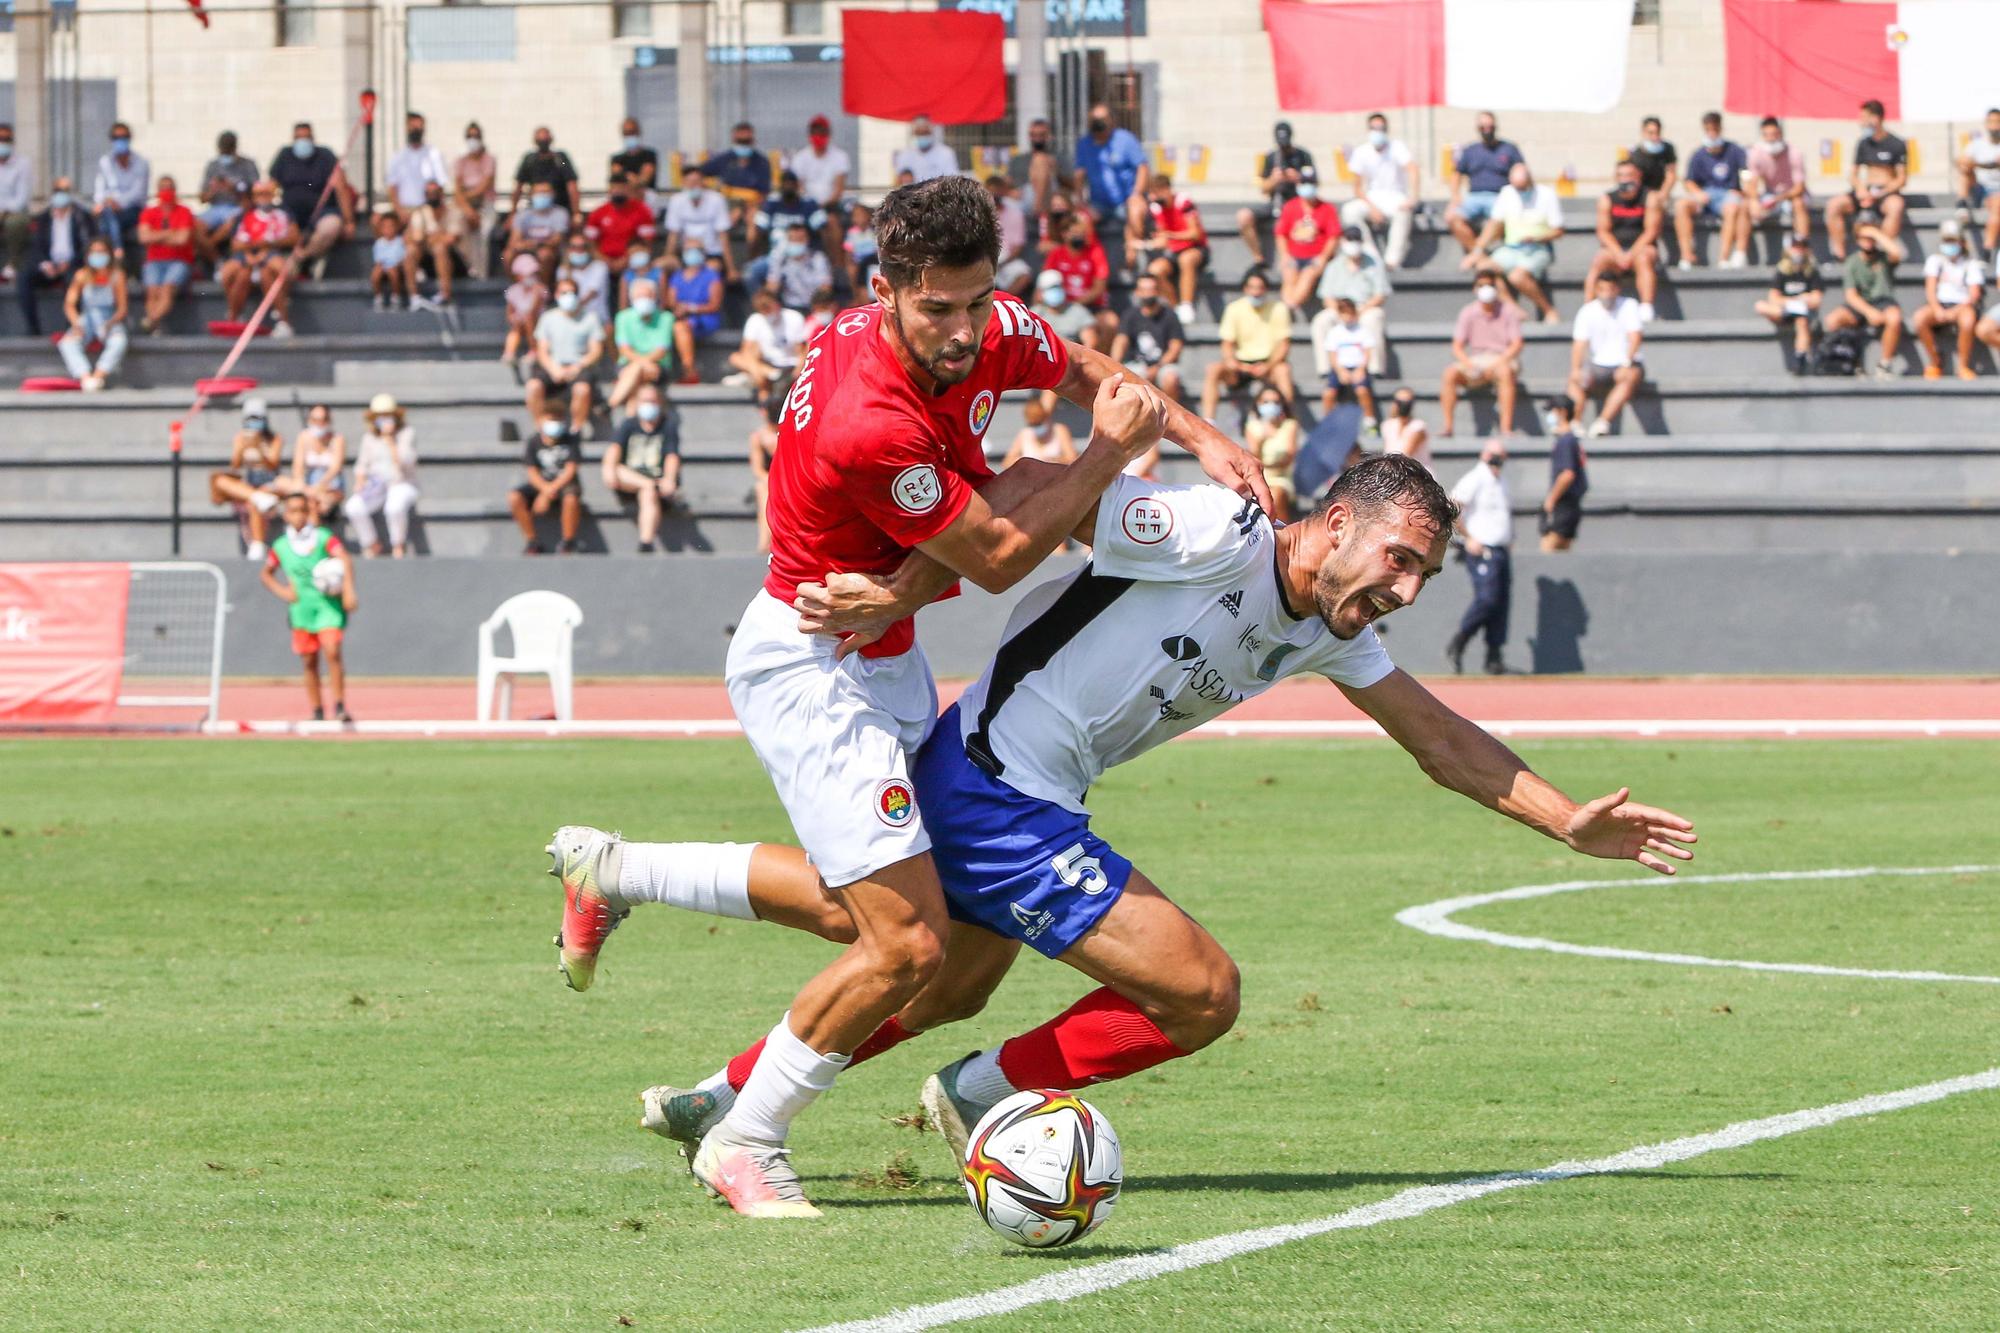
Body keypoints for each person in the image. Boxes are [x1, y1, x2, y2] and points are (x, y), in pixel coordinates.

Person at [563, 459, 1693, 1176]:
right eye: (1397, 559)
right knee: (1198, 989)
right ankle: (967, 1094)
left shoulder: (1330, 627)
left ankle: (717, 1073)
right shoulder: (1214, 531)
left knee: (916, 963)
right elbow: (1031, 497)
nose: (1401, 589)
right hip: (1002, 785)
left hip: (1009, 787)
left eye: (1420, 578)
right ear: (1335, 521)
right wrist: (904, 587)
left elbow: (1439, 738)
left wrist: (1562, 820)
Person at [540, 173, 1267, 1219]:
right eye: (938, 309)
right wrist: (1106, 454)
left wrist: (1198, 435)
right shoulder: (867, 416)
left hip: (881, 652)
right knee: (905, 942)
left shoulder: (985, 326)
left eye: (977, 302)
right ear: (888, 290)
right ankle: (746, 1139)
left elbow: (1084, 369)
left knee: (948, 951)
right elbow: (1003, 552)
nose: (965, 331)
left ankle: (618, 876)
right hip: (811, 658)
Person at [259, 491, 357, 723]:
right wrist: (283, 591)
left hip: (327, 605)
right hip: (301, 609)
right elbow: (266, 573)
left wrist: (349, 589)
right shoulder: (282, 546)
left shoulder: (322, 537)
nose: (299, 516)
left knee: (332, 650)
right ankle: (317, 709)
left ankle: (340, 705)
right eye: (293, 511)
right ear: (286, 515)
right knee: (309, 660)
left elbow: (344, 558)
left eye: (303, 510)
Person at [1446, 440, 1513, 675]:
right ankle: (1460, 639)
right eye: (1493, 454)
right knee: (1487, 598)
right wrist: (1468, 538)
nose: (1497, 459)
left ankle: (1494, 656)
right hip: (1482, 549)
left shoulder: (1501, 481)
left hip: (1500, 549)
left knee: (1501, 603)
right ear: (1484, 454)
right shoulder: (1475, 478)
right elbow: (1453, 508)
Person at [1473, 161, 1563, 323]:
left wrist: (1537, 238)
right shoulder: (1507, 193)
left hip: (1537, 248)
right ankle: (1513, 309)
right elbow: (1494, 224)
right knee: (1484, 268)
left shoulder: (1547, 194)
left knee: (1517, 276)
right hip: (1511, 249)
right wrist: (1478, 250)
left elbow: (1558, 231)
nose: (1520, 191)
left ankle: (1548, 310)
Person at [1203, 267, 1294, 421]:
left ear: (1265, 289)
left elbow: (1283, 345)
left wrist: (1268, 366)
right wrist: (1237, 364)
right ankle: (1209, 421)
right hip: (1241, 365)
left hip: (1269, 363)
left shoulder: (1279, 309)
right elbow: (1227, 345)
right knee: (1213, 369)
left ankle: (1287, 420)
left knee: (1283, 370)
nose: (1256, 292)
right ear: (1245, 289)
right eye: (1252, 288)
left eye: (1259, 288)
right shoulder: (1234, 309)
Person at [1440, 275, 1525, 437]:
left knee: (1505, 372)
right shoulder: (1468, 312)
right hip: (1476, 359)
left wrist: (1497, 364)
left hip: (1502, 357)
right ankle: (1448, 427)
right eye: (1481, 285)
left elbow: (1517, 344)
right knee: (1450, 373)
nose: (1486, 288)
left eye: (1490, 285)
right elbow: (1457, 346)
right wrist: (1469, 365)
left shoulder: (1508, 311)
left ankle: (1506, 428)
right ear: (1475, 289)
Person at [601, 384, 681, 552]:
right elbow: (614, 450)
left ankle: (646, 542)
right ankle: (647, 484)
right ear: (637, 403)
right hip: (629, 478)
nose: (649, 405)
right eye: (645, 401)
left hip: (655, 479)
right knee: (623, 472)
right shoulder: (629, 424)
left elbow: (671, 456)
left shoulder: (668, 426)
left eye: (652, 401)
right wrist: (608, 471)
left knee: (648, 492)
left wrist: (669, 479)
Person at [1826, 99, 1908, 259]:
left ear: (1876, 118)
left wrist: (1879, 193)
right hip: (1866, 191)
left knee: (1896, 206)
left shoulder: (1896, 144)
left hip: (1884, 193)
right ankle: (1839, 254)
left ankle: (1881, 250)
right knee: (1834, 205)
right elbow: (1853, 174)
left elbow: (1901, 179)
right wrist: (1861, 189)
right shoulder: (1863, 143)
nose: (1861, 122)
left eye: (1864, 117)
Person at [268, 122, 353, 275]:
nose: (303, 142)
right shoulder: (284, 155)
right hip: (290, 214)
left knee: (331, 226)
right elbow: (271, 186)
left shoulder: (325, 156)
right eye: (299, 138)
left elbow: (341, 188)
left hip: (322, 211)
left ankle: (304, 257)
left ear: (313, 139)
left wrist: (349, 220)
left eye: (306, 137)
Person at [1568, 273, 1646, 437]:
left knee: (1629, 376)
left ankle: (1602, 422)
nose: (1606, 293)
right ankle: (1574, 422)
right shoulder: (1587, 311)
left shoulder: (1630, 305)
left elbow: (1635, 337)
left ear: (1617, 289)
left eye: (1610, 288)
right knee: (1575, 380)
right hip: (1598, 364)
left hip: (1625, 363)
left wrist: (1626, 363)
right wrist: (1576, 369)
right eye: (1602, 289)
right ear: (1596, 290)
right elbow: (1579, 344)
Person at [1824, 222, 1905, 379]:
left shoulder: (1884, 259)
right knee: (1833, 320)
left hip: (1883, 300)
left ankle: (1885, 365)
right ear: (1857, 240)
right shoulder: (1852, 262)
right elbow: (1851, 295)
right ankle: (1851, 363)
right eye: (1864, 238)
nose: (1867, 241)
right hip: (1862, 303)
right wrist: (1869, 312)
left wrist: (1876, 233)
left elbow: (1897, 252)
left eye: (1871, 238)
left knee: (1894, 318)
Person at [344, 394, 421, 558]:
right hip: (377, 485)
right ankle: (371, 543)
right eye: (380, 417)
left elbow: (407, 462)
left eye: (388, 416)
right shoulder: (369, 438)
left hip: (402, 483)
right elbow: (361, 465)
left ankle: (398, 545)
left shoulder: (407, 434)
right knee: (353, 507)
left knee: (394, 507)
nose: (384, 420)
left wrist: (392, 442)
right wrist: (360, 482)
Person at [19, 177, 96, 336]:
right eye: (57, 192)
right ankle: (33, 329)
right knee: (24, 278)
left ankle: (71, 328)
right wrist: (45, 264)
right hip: (51, 266)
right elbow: (37, 246)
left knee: (73, 279)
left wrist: (69, 264)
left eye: (64, 192)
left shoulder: (81, 216)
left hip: (73, 265)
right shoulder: (45, 218)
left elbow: (87, 246)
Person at [1586, 158, 1661, 322]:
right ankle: (1589, 308)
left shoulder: (1650, 197)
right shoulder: (1607, 199)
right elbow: (1603, 231)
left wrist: (1631, 254)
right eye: (1621, 175)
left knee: (1644, 257)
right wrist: (1619, 254)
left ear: (1638, 176)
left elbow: (1651, 231)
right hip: (1616, 250)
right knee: (1600, 260)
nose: (1625, 179)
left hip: (1641, 247)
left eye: (1629, 175)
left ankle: (1646, 307)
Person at [210, 399, 286, 558]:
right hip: (250, 484)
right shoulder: (240, 437)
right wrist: (243, 446)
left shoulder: (275, 438)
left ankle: (257, 545)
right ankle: (258, 497)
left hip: (269, 481)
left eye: (257, 419)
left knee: (254, 503)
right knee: (219, 480)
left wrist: (259, 446)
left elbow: (273, 464)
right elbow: (235, 465)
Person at [527, 276, 604, 434]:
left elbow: (596, 350)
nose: (568, 296)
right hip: (553, 366)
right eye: (564, 292)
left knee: (582, 389)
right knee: (533, 386)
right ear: (556, 295)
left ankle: (576, 428)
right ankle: (540, 426)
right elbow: (542, 350)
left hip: (578, 366)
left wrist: (578, 366)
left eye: (572, 292)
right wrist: (553, 368)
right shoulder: (548, 317)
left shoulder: (590, 318)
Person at [218, 181, 296, 337]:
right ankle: (233, 315)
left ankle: (283, 319)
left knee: (273, 272)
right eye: (259, 194)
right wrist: (251, 253)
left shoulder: (281, 214)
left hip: (271, 253)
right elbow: (236, 243)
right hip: (248, 256)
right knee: (234, 274)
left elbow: (292, 237)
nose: (262, 198)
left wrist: (266, 246)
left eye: (266, 193)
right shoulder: (246, 215)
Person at [1673, 111, 1749, 270]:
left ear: (1720, 129)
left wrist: (1742, 189)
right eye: (1708, 129)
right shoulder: (1698, 155)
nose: (1712, 133)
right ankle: (1687, 256)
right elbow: (1689, 181)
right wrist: (1698, 193)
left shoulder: (1735, 150)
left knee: (1732, 208)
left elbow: (1746, 173)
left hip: (1728, 194)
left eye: (1715, 129)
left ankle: (1724, 257)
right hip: (1706, 195)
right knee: (1681, 205)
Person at [1342, 112, 1418, 270]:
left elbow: (1413, 169)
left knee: (1403, 211)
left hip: (1396, 196)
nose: (1377, 132)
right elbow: (1357, 188)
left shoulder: (1397, 147)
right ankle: (1371, 256)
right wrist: (1372, 208)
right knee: (1349, 211)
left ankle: (1392, 260)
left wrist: (1413, 197)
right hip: (1372, 198)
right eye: (1373, 128)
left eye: (1381, 128)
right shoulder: (1362, 151)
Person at [1313, 226, 1392, 376]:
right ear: (1343, 242)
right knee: (1321, 320)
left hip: (1365, 308)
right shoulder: (1334, 266)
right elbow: (1326, 296)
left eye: (1355, 240)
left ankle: (1374, 368)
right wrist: (1342, 312)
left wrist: (1360, 311)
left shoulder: (1374, 264)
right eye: (1349, 240)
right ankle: (1325, 369)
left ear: (1362, 242)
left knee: (1374, 318)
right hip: (1340, 308)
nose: (1352, 244)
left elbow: (1380, 294)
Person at [1236, 120, 1315, 267]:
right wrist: (1273, 180)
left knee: (1288, 224)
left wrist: (1297, 177)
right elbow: (1263, 189)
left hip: (1298, 204)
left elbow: (1314, 183)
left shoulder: (1303, 156)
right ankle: (1259, 257)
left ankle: (1291, 260)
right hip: (1276, 202)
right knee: (1243, 216)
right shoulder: (1271, 157)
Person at [1445, 111, 1525, 257]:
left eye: (1489, 126)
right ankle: (1480, 256)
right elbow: (1456, 175)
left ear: (1495, 126)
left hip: (1500, 197)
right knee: (1451, 217)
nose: (1487, 130)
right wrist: (1455, 197)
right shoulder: (1470, 150)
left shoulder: (1509, 149)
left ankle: (1477, 254)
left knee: (1499, 219)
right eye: (1483, 127)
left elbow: (1521, 172)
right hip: (1474, 197)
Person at [1914, 219, 1985, 380]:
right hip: (1939, 304)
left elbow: (1974, 294)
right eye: (1947, 240)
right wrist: (1938, 309)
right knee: (1919, 318)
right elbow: (1930, 288)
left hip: (1962, 305)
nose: (1950, 244)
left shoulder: (1971, 264)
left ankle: (1963, 366)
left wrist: (1954, 311)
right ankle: (1935, 362)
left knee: (1968, 320)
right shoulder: (1935, 261)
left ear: (1962, 242)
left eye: (1953, 241)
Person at [510, 404, 584, 554]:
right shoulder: (534, 441)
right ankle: (532, 541)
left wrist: (548, 492)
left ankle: (568, 542)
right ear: (541, 420)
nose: (555, 424)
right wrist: (544, 489)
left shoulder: (571, 440)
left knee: (571, 498)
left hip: (564, 483)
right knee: (514, 497)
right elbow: (532, 471)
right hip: (542, 483)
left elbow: (571, 469)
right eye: (551, 420)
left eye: (558, 420)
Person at [57, 236, 128, 391]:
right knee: (67, 343)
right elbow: (69, 304)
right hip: (87, 317)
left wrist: (110, 324)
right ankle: (84, 376)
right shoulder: (82, 275)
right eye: (94, 252)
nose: (98, 256)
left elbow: (122, 308)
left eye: (102, 252)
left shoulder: (117, 275)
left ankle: (99, 375)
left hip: (109, 318)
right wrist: (76, 323)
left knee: (119, 341)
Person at [1042, 211, 1119, 352]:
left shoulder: (1095, 252)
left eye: (1082, 233)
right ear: (1064, 234)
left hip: (1091, 305)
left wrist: (1076, 304)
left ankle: (1101, 362)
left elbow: (1099, 287)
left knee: (1110, 322)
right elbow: (1045, 283)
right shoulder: (1056, 254)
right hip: (1060, 305)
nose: (1080, 236)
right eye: (1075, 233)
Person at [1137, 173, 1207, 324]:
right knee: (1155, 270)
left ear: (1166, 189)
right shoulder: (1156, 208)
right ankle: (1175, 308)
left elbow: (1195, 233)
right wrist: (1147, 244)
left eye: (1156, 192)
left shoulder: (1184, 202)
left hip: (1195, 248)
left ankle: (1187, 304)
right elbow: (1163, 237)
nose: (1153, 197)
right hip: (1173, 250)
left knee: (1186, 259)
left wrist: (1170, 235)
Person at [1753, 236, 1824, 374]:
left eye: (1801, 247)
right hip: (1784, 310)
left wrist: (1804, 300)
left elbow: (1816, 299)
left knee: (1802, 322)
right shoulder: (1782, 271)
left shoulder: (1811, 272)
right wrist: (1793, 301)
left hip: (1803, 312)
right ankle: (1785, 314)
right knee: (1760, 305)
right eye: (1795, 247)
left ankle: (1801, 358)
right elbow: (1773, 297)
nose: (1798, 251)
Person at [134, 176, 195, 335]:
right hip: (154, 260)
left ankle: (150, 320)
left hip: (179, 261)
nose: (166, 192)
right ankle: (154, 325)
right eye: (163, 188)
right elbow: (143, 237)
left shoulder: (184, 211)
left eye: (169, 188)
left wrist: (156, 236)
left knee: (166, 289)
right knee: (152, 292)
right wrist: (169, 234)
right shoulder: (149, 212)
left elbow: (182, 239)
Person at [1274, 166, 1341, 311]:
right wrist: (1285, 255)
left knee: (1308, 275)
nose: (1307, 187)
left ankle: (1290, 305)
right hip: (1294, 255)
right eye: (1304, 183)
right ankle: (1287, 305)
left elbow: (1333, 237)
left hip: (1315, 257)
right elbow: (1281, 234)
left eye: (1310, 183)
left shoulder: (1327, 208)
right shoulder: (1290, 206)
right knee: (1288, 274)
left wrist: (1323, 257)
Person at [1073, 102, 1149, 228]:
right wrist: (1081, 202)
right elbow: (1079, 174)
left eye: (1102, 119)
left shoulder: (1125, 139)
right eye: (1094, 120)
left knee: (1135, 211)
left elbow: (1142, 167)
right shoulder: (1084, 144)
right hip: (1098, 204)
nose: (1098, 123)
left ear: (1111, 120)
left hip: (1126, 201)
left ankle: (1136, 247)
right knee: (1080, 220)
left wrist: (1137, 194)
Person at [726, 287, 806, 402]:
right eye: (762, 310)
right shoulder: (755, 320)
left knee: (758, 377)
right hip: (767, 365)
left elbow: (802, 350)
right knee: (737, 358)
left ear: (777, 304)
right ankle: (772, 376)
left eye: (768, 308)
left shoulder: (793, 318)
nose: (767, 313)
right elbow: (746, 351)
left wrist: (796, 374)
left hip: (790, 365)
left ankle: (760, 377)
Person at [791, 115, 852, 267]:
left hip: (830, 206)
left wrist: (823, 205)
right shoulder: (800, 158)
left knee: (831, 225)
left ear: (828, 134)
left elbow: (838, 189)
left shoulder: (839, 157)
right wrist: (811, 205)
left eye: (822, 132)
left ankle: (837, 267)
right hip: (806, 206)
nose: (819, 136)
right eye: (815, 132)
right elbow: (798, 186)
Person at [749, 170, 827, 283]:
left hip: (804, 257)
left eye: (791, 184)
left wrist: (821, 253)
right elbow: (759, 230)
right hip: (776, 256)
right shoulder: (771, 203)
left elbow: (823, 229)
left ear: (797, 186)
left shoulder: (808, 203)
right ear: (780, 186)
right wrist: (756, 256)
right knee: (751, 272)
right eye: (785, 184)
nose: (788, 187)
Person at [1746, 116, 1811, 250]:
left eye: (1774, 134)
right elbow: (1752, 182)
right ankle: (1743, 252)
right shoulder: (1756, 153)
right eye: (1767, 135)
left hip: (1791, 194)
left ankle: (1802, 245)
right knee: (1744, 207)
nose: (1770, 138)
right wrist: (1754, 200)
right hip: (1771, 194)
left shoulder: (1794, 153)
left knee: (1798, 203)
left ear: (1780, 134)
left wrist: (1778, 199)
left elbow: (1799, 187)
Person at [194, 131, 256, 270]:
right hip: (216, 207)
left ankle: (202, 250)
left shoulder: (248, 164)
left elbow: (254, 194)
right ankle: (217, 260)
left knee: (233, 223)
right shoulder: (213, 165)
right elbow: (202, 199)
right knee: (194, 226)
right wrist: (213, 190)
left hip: (237, 206)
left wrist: (233, 188)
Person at [1120, 273, 1186, 403]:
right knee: (1131, 378)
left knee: (1170, 379)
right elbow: (1121, 341)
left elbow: (1175, 347)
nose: (1148, 294)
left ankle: (1171, 420)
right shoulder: (1130, 315)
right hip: (1137, 364)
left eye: (1151, 290)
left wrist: (1158, 367)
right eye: (1144, 290)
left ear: (1158, 291)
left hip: (1164, 364)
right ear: (1137, 292)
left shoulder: (1170, 315)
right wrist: (1114, 363)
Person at [609, 277, 675, 407]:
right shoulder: (622, 317)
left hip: (657, 367)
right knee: (638, 380)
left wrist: (641, 364)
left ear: (655, 297)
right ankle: (631, 424)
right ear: (632, 299)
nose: (644, 300)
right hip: (635, 366)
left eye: (648, 296)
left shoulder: (666, 318)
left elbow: (661, 351)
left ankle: (611, 404)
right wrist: (644, 364)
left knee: (636, 373)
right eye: (640, 296)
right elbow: (624, 350)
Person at [90, 122, 149, 264]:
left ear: (129, 138)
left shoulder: (141, 163)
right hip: (109, 208)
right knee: (106, 215)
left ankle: (110, 253)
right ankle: (117, 251)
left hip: (132, 209)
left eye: (124, 137)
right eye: (117, 137)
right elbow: (100, 189)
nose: (120, 140)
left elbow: (138, 193)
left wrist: (118, 203)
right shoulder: (105, 162)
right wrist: (104, 202)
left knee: (107, 218)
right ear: (112, 140)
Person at [664, 163, 734, 281]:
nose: (693, 185)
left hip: (711, 253)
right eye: (690, 182)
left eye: (696, 182)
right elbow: (673, 234)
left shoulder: (717, 200)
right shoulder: (676, 200)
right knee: (661, 266)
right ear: (684, 183)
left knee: (712, 268)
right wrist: (669, 257)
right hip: (684, 253)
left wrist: (731, 268)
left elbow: (723, 236)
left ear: (703, 182)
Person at [700, 122, 774, 230]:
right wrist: (709, 189)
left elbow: (764, 192)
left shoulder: (762, 162)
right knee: (729, 218)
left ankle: (753, 246)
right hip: (729, 202)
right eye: (740, 141)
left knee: (754, 222)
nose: (744, 145)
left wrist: (752, 206)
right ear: (733, 140)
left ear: (753, 140)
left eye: (746, 141)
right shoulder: (724, 159)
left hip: (753, 204)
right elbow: (699, 173)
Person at [1319, 295, 1379, 429]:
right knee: (1329, 393)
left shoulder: (1363, 331)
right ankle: (1327, 423)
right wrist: (1341, 371)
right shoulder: (1335, 333)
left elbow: (1367, 353)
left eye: (1350, 313)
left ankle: (1370, 421)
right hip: (1340, 368)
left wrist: (1361, 369)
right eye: (1344, 314)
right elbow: (1333, 355)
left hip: (1358, 367)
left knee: (1362, 391)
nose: (1347, 317)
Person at [670, 245, 725, 385]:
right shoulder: (677, 276)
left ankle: (689, 370)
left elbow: (715, 305)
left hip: (704, 319)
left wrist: (690, 308)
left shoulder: (711, 275)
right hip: (681, 317)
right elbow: (670, 301)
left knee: (680, 327)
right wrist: (679, 309)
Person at [1242, 385, 1299, 520]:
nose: (1271, 405)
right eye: (1266, 402)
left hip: (1282, 478)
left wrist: (1266, 464)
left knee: (1275, 495)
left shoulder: (1289, 425)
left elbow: (1289, 457)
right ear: (1258, 404)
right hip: (1259, 477)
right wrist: (1262, 439)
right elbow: (1253, 456)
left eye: (1275, 402)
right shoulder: (1253, 427)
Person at [452, 122, 498, 280]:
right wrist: (468, 209)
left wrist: (467, 196)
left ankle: (482, 273)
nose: (473, 139)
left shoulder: (489, 159)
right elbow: (457, 189)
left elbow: (485, 185)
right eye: (470, 136)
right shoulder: (460, 161)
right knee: (458, 229)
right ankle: (466, 269)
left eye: (476, 136)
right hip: (466, 207)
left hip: (485, 204)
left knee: (484, 232)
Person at [1539, 398, 1587, 552]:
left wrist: (1551, 499)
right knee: (1563, 554)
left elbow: (1567, 474)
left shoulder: (1565, 441)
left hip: (1563, 505)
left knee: (1548, 548)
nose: (1550, 416)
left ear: (1563, 412)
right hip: (1571, 504)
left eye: (1553, 411)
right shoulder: (1572, 440)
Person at [402, 184, 461, 306]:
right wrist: (429, 238)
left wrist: (427, 238)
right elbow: (410, 238)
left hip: (455, 261)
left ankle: (445, 295)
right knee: (411, 251)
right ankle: (414, 297)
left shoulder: (454, 211)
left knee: (440, 249)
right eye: (428, 193)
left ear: (441, 194)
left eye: (435, 193)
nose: (432, 196)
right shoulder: (420, 213)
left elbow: (451, 239)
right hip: (427, 259)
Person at [286, 401, 346, 518]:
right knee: (288, 486)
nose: (319, 424)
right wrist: (302, 482)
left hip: (331, 484)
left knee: (318, 503)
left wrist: (319, 486)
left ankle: (316, 533)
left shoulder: (337, 439)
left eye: (322, 420)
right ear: (309, 420)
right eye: (315, 420)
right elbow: (298, 465)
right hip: (309, 484)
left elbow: (336, 468)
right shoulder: (304, 437)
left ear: (328, 420)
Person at [386, 112, 449, 223]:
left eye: (418, 127)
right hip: (404, 209)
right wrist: (400, 211)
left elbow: (441, 186)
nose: (415, 130)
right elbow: (392, 188)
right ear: (407, 128)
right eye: (412, 127)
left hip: (427, 209)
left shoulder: (434, 154)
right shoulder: (398, 157)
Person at [585, 172, 658, 268]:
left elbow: (647, 243)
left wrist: (625, 260)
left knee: (639, 261)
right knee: (598, 268)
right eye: (615, 188)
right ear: (609, 190)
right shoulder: (598, 212)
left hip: (631, 260)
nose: (618, 191)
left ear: (628, 189)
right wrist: (605, 260)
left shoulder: (642, 211)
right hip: (603, 261)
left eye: (621, 188)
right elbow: (590, 244)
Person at [1955, 107, 2000, 259]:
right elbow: (1962, 162)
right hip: (1979, 187)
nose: (1995, 126)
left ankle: (1986, 249)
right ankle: (1962, 203)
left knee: (1997, 206)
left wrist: (1978, 164)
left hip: (1996, 191)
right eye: (1992, 122)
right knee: (1965, 169)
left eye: (1998, 122)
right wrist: (1986, 164)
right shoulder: (1977, 144)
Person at [1008, 118, 1069, 224]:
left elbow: (1071, 185)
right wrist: (1009, 192)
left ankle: (1038, 211)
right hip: (1023, 198)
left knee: (1040, 159)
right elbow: (1006, 183)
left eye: (1041, 135)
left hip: (1051, 197)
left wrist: (1057, 172)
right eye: (1033, 135)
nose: (1037, 138)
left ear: (1049, 136)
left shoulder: (1059, 158)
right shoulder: (1018, 159)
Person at [512, 127, 580, 216]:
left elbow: (572, 185)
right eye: (540, 140)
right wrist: (512, 212)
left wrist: (576, 212)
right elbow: (518, 187)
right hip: (534, 210)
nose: (543, 143)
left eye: (545, 139)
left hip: (560, 208)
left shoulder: (561, 160)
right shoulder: (529, 160)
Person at [766, 219, 832, 313]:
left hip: (813, 307)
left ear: (807, 239)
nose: (795, 243)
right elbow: (772, 285)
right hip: (789, 308)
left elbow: (825, 287)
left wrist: (817, 307)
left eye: (799, 240)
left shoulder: (818, 258)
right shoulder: (780, 259)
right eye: (792, 240)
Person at [1001, 393, 1078, 470]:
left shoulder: (1059, 430)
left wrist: (1053, 460)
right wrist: (1026, 461)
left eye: (1039, 423)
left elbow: (1073, 460)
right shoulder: (1025, 434)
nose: (1036, 427)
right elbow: (1006, 463)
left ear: (1046, 417)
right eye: (1033, 425)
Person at [985, 175, 1033, 295]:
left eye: (997, 190)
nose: (995, 194)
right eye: (991, 191)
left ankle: (1003, 301)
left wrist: (1001, 264)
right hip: (985, 257)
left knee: (1024, 275)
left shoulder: (1015, 213)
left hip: (1007, 259)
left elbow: (1018, 246)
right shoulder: (979, 213)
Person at [748, 392, 781, 554]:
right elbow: (758, 469)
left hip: (787, 479)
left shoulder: (789, 432)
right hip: (769, 480)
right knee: (763, 489)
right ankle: (764, 541)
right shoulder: (758, 437)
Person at [501, 252, 548, 367]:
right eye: (528, 274)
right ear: (518, 275)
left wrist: (537, 294)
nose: (531, 277)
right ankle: (509, 354)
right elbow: (510, 312)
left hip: (538, 322)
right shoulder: (513, 290)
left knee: (529, 318)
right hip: (521, 324)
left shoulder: (541, 290)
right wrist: (514, 319)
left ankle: (534, 350)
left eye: (533, 274)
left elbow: (534, 311)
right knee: (515, 329)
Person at [0, 122, 32, 279]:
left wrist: (4, 211)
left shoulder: (22, 163)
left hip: (14, 211)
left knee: (15, 223)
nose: (3, 143)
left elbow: (22, 198)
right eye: (0, 139)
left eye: (7, 139)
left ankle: (13, 263)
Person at [561, 230, 613, 326]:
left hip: (598, 319)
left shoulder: (600, 267)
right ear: (568, 250)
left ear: (589, 249)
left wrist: (573, 308)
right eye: (574, 247)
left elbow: (591, 293)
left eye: (582, 247)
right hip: (571, 320)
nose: (579, 250)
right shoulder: (563, 270)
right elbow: (562, 294)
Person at [1031, 268, 1093, 346]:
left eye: (1057, 287)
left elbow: (1091, 342)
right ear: (1040, 293)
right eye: (1050, 288)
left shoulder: (1078, 311)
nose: (1054, 291)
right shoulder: (1034, 314)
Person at [1379, 386, 1430, 474]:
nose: (1403, 406)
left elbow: (1405, 456)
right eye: (1400, 402)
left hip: (1417, 477)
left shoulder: (1418, 427)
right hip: (1394, 475)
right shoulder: (1387, 425)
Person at [894, 116, 959, 183]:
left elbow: (953, 180)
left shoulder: (946, 153)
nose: (922, 136)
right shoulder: (904, 155)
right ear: (913, 133)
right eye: (919, 133)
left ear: (932, 132)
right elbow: (899, 181)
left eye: (925, 133)